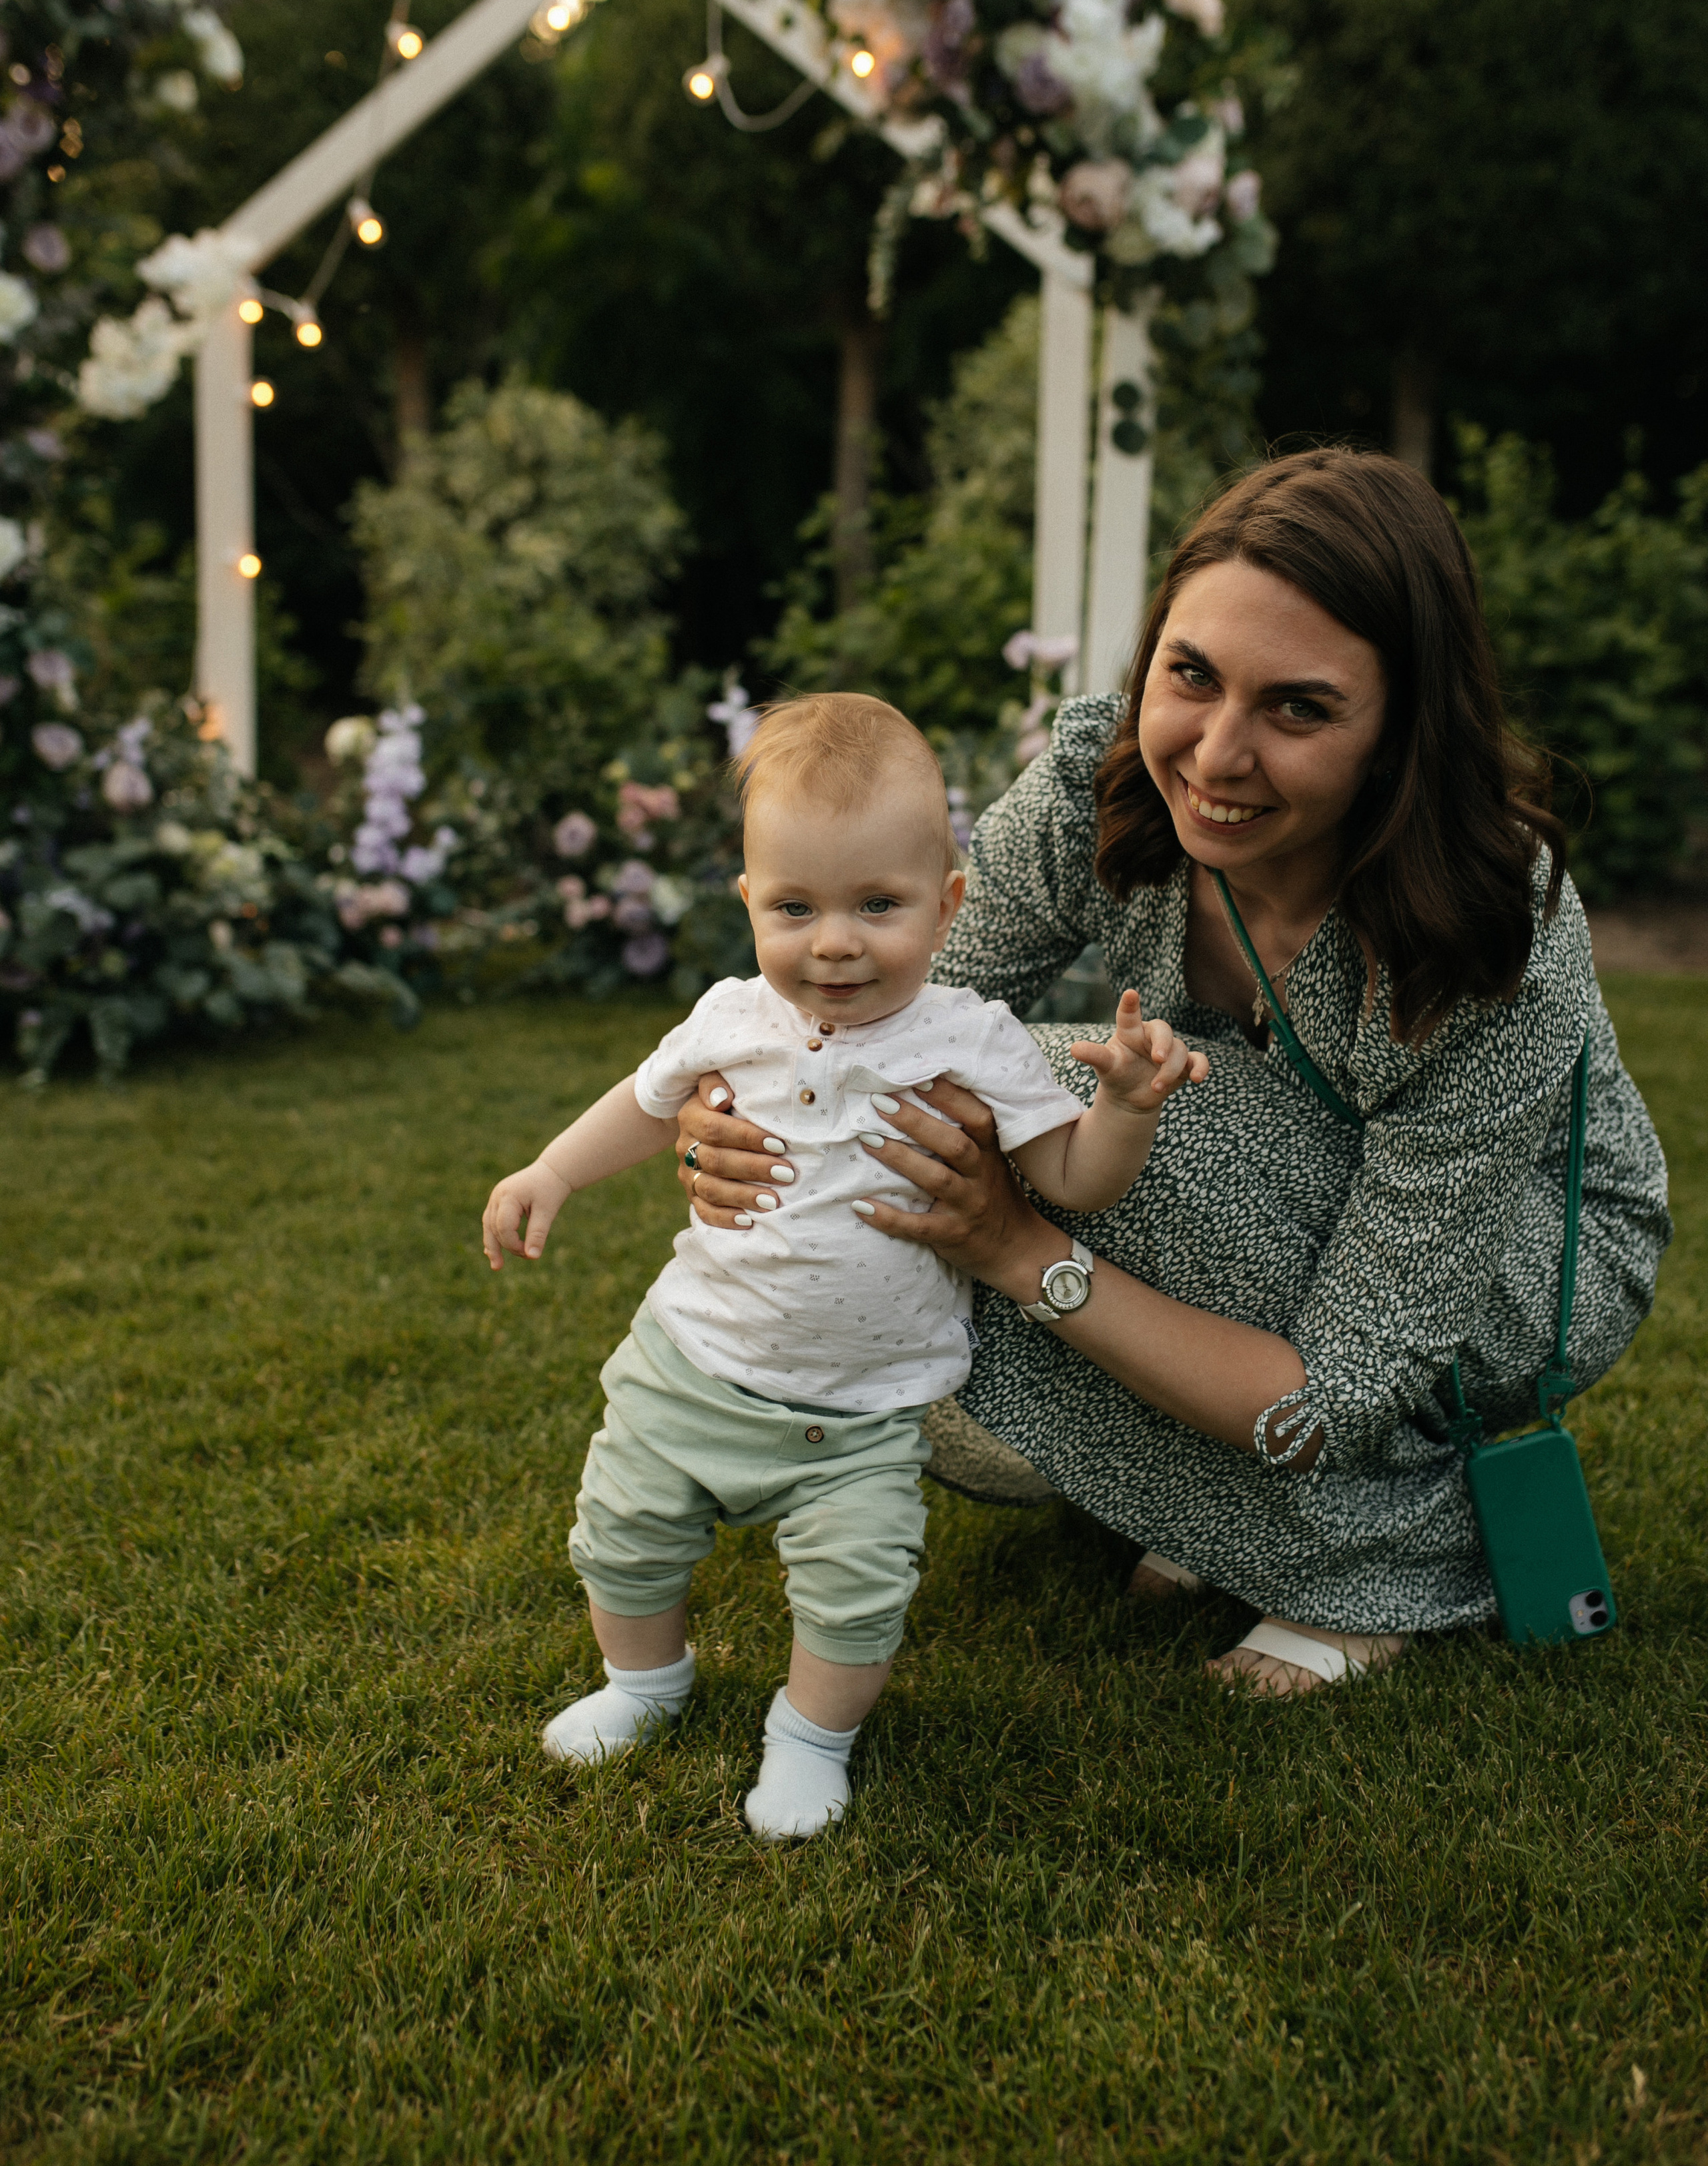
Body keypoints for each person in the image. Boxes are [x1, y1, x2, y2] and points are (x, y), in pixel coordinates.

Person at [675, 452, 1671, 1696]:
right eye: (1190, 675)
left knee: (1077, 1107)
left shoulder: (1492, 926)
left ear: (1402, 734)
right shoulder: (1107, 785)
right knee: (935, 1115)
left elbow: (1340, 1390)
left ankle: (1374, 1571)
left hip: (1527, 1250)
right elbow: (894, 1025)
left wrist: (1011, 1250)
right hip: (1253, 1194)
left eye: (1298, 710)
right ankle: (1212, 1513)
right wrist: (740, 1116)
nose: (1215, 753)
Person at [482, 693, 1206, 1836]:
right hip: (692, 1364)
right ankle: (644, 1683)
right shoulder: (731, 1014)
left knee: (856, 1597)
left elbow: (1072, 1179)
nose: (833, 942)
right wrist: (552, 1174)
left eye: (878, 904)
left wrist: (1120, 1107)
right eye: (795, 906)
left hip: (863, 1411)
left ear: (948, 903)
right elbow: (643, 1101)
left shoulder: (972, 1038)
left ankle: (811, 1739)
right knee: (619, 1535)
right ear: (749, 905)